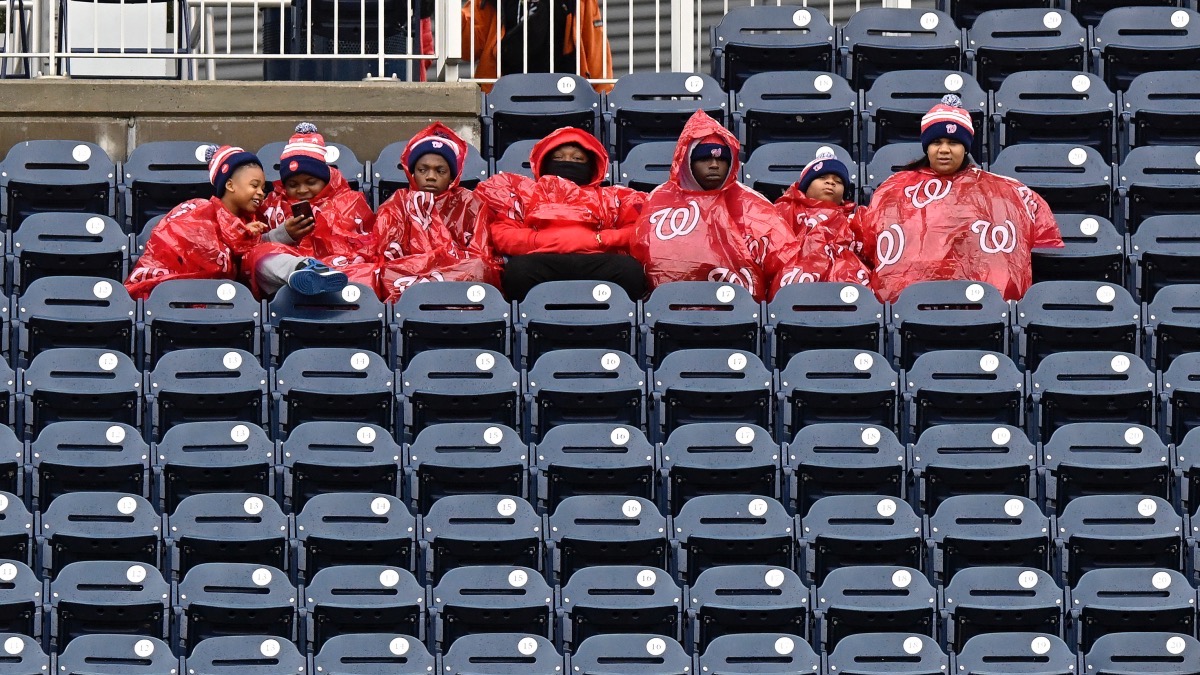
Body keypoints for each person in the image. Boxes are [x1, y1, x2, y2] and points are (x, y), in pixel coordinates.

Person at [857, 94, 1064, 302]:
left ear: (965, 148)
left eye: (953, 142)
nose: (944, 150)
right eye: (936, 142)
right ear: (926, 147)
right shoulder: (894, 188)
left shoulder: (1003, 190)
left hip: (980, 303)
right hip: (911, 304)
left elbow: (1040, 234)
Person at [631, 109, 811, 302]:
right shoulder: (659, 200)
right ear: (687, 161)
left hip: (738, 311)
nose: (714, 165)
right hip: (668, 309)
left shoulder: (753, 204)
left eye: (721, 159)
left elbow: (785, 260)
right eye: (704, 159)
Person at [475, 126, 646, 300]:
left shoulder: (611, 196)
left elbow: (637, 230)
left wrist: (599, 240)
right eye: (558, 157)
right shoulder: (526, 193)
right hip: (542, 260)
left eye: (577, 158)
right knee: (517, 271)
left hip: (596, 259)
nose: (567, 162)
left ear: (592, 164)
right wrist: (540, 240)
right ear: (546, 162)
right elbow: (502, 233)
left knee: (629, 270)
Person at [243, 123, 378, 297]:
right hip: (290, 276)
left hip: (339, 268)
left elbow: (367, 245)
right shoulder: (271, 205)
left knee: (367, 270)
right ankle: (305, 269)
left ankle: (320, 275)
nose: (302, 190)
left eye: (310, 182)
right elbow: (248, 245)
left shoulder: (349, 201)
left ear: (324, 180)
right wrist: (284, 234)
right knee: (256, 256)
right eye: (293, 185)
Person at [125, 144, 271, 300]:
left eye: (263, 188)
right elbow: (209, 258)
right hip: (173, 295)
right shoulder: (199, 210)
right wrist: (241, 234)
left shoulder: (254, 221)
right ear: (230, 185)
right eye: (254, 185)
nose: (261, 193)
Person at [374, 122, 501, 300]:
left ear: (451, 176)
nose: (431, 177)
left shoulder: (469, 202)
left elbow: (480, 253)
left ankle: (428, 292)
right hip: (412, 273)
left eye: (440, 171)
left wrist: (439, 263)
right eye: (423, 170)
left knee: (478, 267)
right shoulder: (397, 203)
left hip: (454, 271)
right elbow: (388, 254)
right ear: (412, 173)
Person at [461, 0, 614, 92]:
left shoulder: (579, 2)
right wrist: (450, 13)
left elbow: (595, 54)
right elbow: (467, 48)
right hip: (504, 97)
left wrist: (604, 103)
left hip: (565, 94)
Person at [773, 150, 871, 286]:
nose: (831, 182)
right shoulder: (786, 210)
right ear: (805, 187)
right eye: (822, 178)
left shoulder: (854, 219)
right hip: (795, 282)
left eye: (838, 181)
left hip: (845, 288)